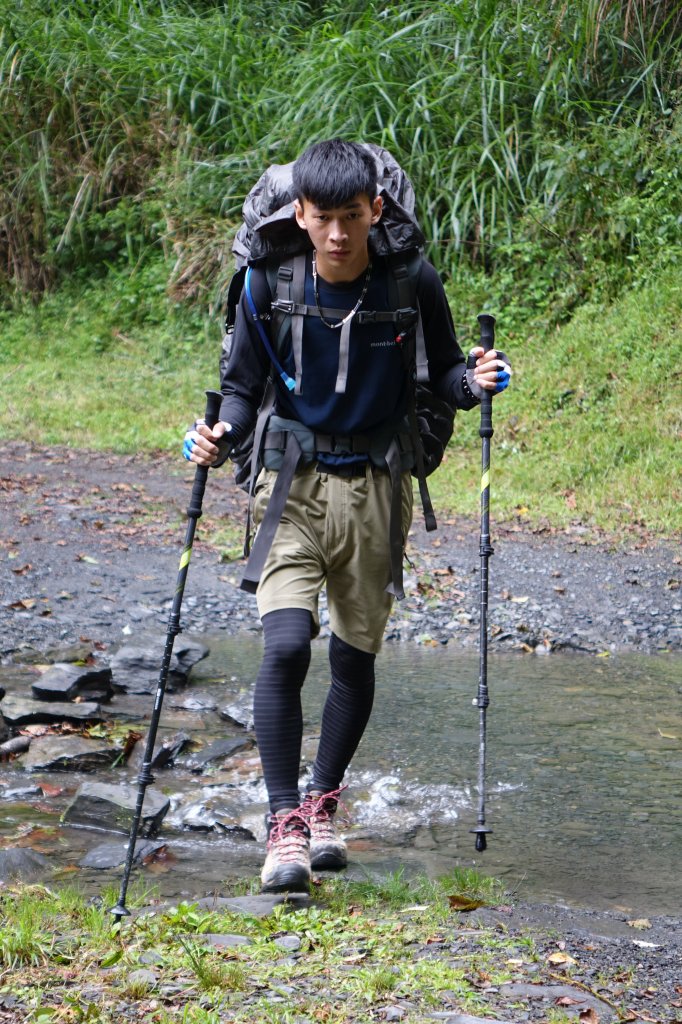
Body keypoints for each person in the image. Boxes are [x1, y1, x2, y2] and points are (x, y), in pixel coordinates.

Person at [183, 139, 511, 893]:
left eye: (352, 217)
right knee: (287, 646)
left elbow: (450, 376)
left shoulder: (410, 282)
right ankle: (283, 825)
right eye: (324, 217)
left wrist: (482, 377)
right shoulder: (266, 283)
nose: (337, 234)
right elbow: (240, 387)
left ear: (376, 210)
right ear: (299, 213)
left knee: (354, 656)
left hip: (377, 488)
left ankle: (323, 800)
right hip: (289, 488)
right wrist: (218, 433)